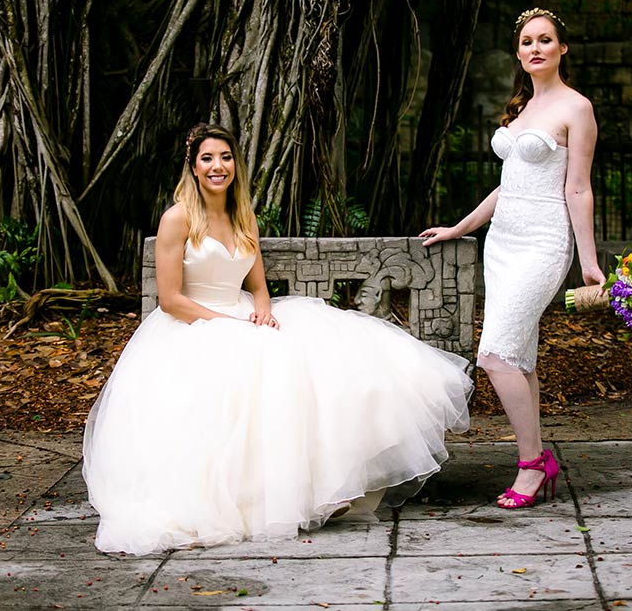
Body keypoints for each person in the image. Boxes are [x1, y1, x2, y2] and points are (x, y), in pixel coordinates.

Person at [83, 123, 473, 554]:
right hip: (193, 323)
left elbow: (257, 283)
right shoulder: (178, 219)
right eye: (208, 158)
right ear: (193, 167)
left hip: (242, 314)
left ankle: (324, 487)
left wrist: (263, 310)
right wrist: (224, 324)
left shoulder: (242, 213)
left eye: (226, 157)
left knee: (326, 361)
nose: (218, 167)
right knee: (248, 378)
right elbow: (172, 299)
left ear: (236, 164)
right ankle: (250, 498)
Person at [420, 8, 605, 509]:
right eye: (527, 42)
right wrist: (461, 228)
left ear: (562, 49)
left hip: (544, 243)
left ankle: (533, 462)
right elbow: (509, 186)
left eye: (546, 40)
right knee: (518, 357)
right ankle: (535, 460)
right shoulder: (521, 110)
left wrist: (587, 262)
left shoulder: (577, 108)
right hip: (501, 243)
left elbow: (579, 188)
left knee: (494, 355)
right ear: (520, 52)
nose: (536, 49)